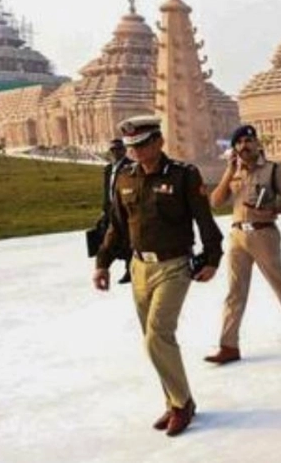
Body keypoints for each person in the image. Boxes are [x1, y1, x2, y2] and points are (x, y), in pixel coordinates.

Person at [92, 115, 224, 437]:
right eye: (130, 146)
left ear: (158, 142)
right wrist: (102, 263)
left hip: (174, 266)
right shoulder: (125, 177)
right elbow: (117, 226)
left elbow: (204, 219)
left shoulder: (183, 175)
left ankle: (182, 404)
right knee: (155, 342)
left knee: (157, 335)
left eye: (141, 144)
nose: (135, 151)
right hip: (139, 268)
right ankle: (173, 401)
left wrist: (212, 258)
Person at [204, 124, 281, 364]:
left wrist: (270, 208)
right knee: (235, 291)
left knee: (278, 282)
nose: (244, 146)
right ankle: (228, 345)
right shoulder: (233, 171)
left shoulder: (272, 170)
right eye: (239, 143)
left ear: (257, 144)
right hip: (238, 235)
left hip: (264, 234)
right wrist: (229, 172)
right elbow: (216, 202)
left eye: (249, 141)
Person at [98, 138, 134, 284]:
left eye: (118, 149)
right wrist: (104, 210)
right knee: (108, 237)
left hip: (124, 209)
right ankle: (105, 265)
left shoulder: (130, 167)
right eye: (113, 150)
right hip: (110, 209)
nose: (115, 152)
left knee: (128, 239)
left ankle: (130, 270)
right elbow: (107, 191)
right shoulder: (108, 169)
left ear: (124, 150)